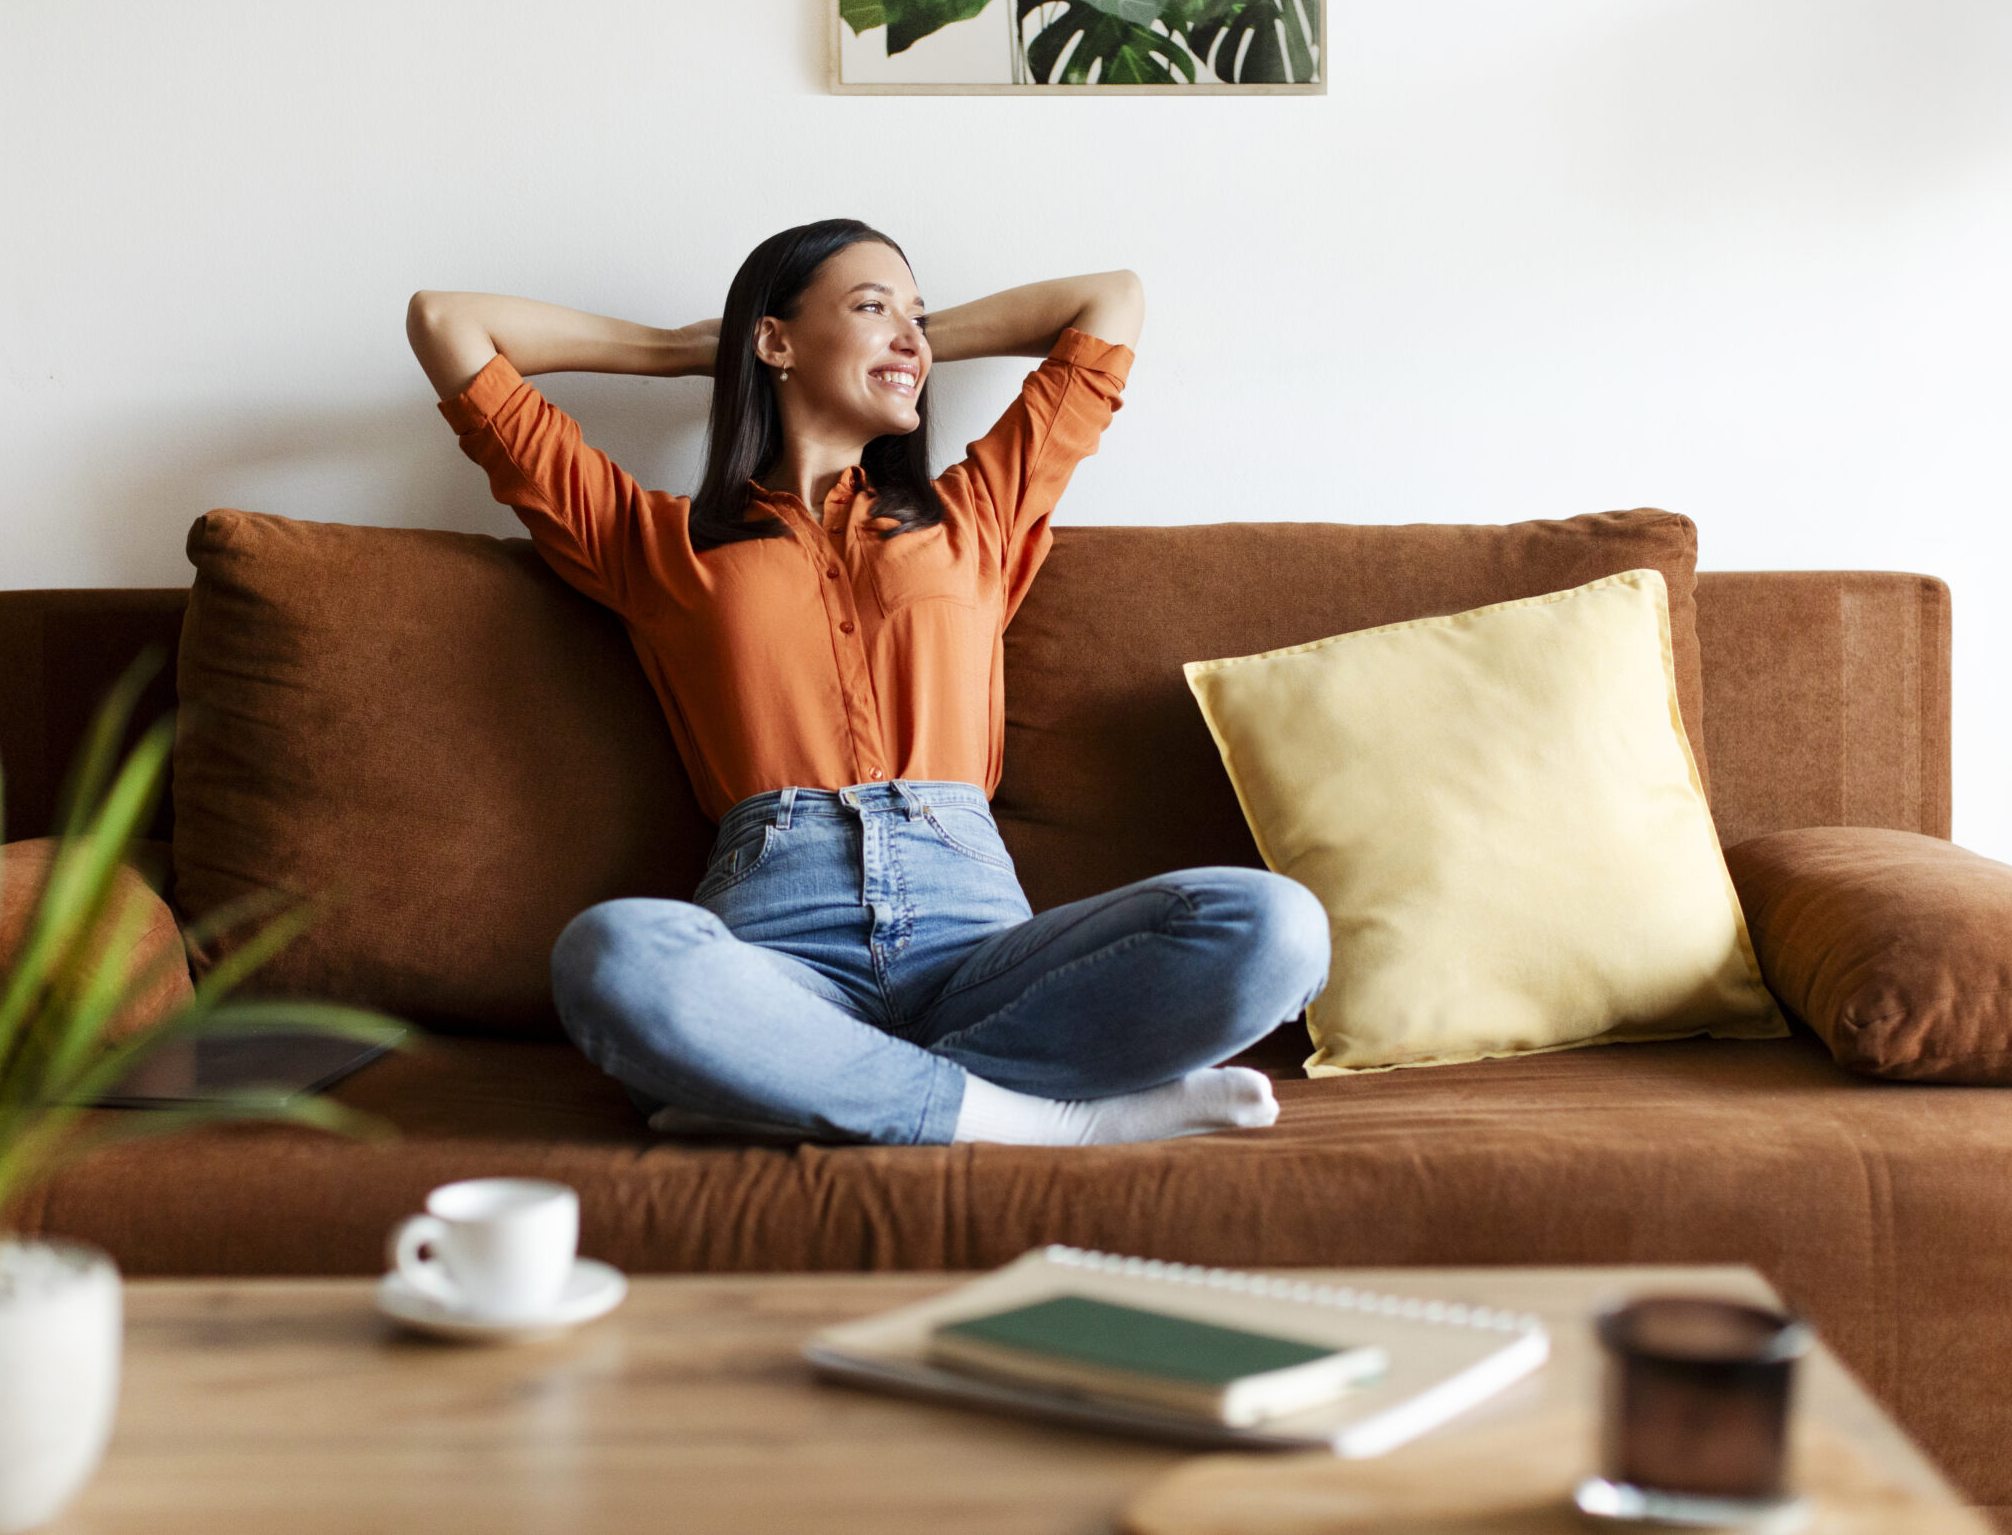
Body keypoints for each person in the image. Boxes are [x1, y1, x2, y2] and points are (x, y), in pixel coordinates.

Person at [406, 219, 1328, 1147]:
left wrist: (900, 345)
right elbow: (447, 322)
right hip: (777, 952)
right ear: (774, 341)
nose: (910, 337)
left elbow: (1110, 299)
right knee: (612, 955)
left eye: (916, 316)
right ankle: (1044, 1120)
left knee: (1276, 926)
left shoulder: (977, 512)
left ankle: (804, 1088)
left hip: (979, 953)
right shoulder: (655, 540)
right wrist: (699, 351)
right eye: (872, 306)